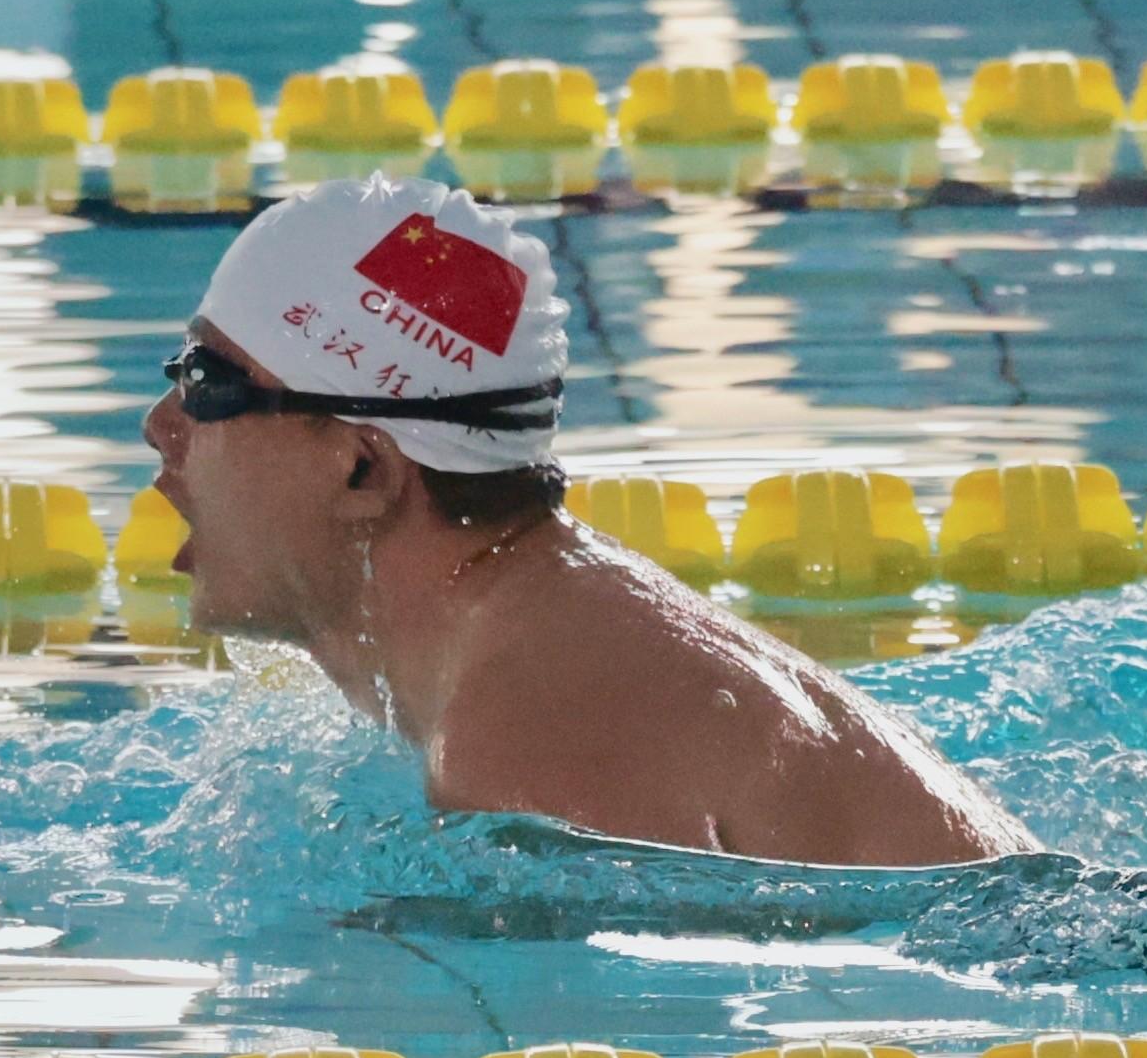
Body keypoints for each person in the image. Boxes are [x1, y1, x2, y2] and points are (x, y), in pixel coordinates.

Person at [143, 174, 1032, 866]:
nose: (161, 426)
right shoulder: (542, 634)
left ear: (364, 469)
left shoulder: (521, 741)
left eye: (205, 385)